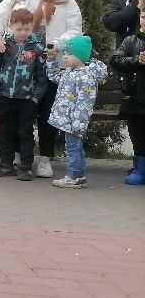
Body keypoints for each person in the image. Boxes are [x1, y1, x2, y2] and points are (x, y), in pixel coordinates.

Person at [0, 0, 84, 178]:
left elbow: (75, 30)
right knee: (18, 117)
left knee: (46, 113)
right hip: (18, 69)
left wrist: (57, 44)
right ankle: (18, 158)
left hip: (50, 64)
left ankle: (44, 158)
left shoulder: (65, 1)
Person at [0, 8, 48, 181]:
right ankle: (6, 164)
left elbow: (41, 75)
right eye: (19, 29)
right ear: (11, 26)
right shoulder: (4, 46)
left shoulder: (37, 48)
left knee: (25, 132)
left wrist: (36, 96)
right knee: (5, 131)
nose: (23, 33)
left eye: (27, 29)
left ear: (32, 28)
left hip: (27, 99)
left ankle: (26, 167)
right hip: (4, 96)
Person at [45, 36, 106, 189]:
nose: (65, 57)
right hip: (67, 119)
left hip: (74, 120)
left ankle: (73, 175)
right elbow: (54, 76)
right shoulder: (69, 72)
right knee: (74, 146)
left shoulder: (86, 76)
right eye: (64, 54)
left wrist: (78, 122)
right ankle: (79, 175)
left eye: (69, 54)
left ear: (81, 56)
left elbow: (84, 102)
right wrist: (51, 60)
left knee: (72, 147)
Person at [110, 5, 145, 185]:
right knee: (137, 133)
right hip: (135, 99)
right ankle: (140, 167)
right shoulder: (131, 40)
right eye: (144, 17)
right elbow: (116, 60)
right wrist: (136, 60)